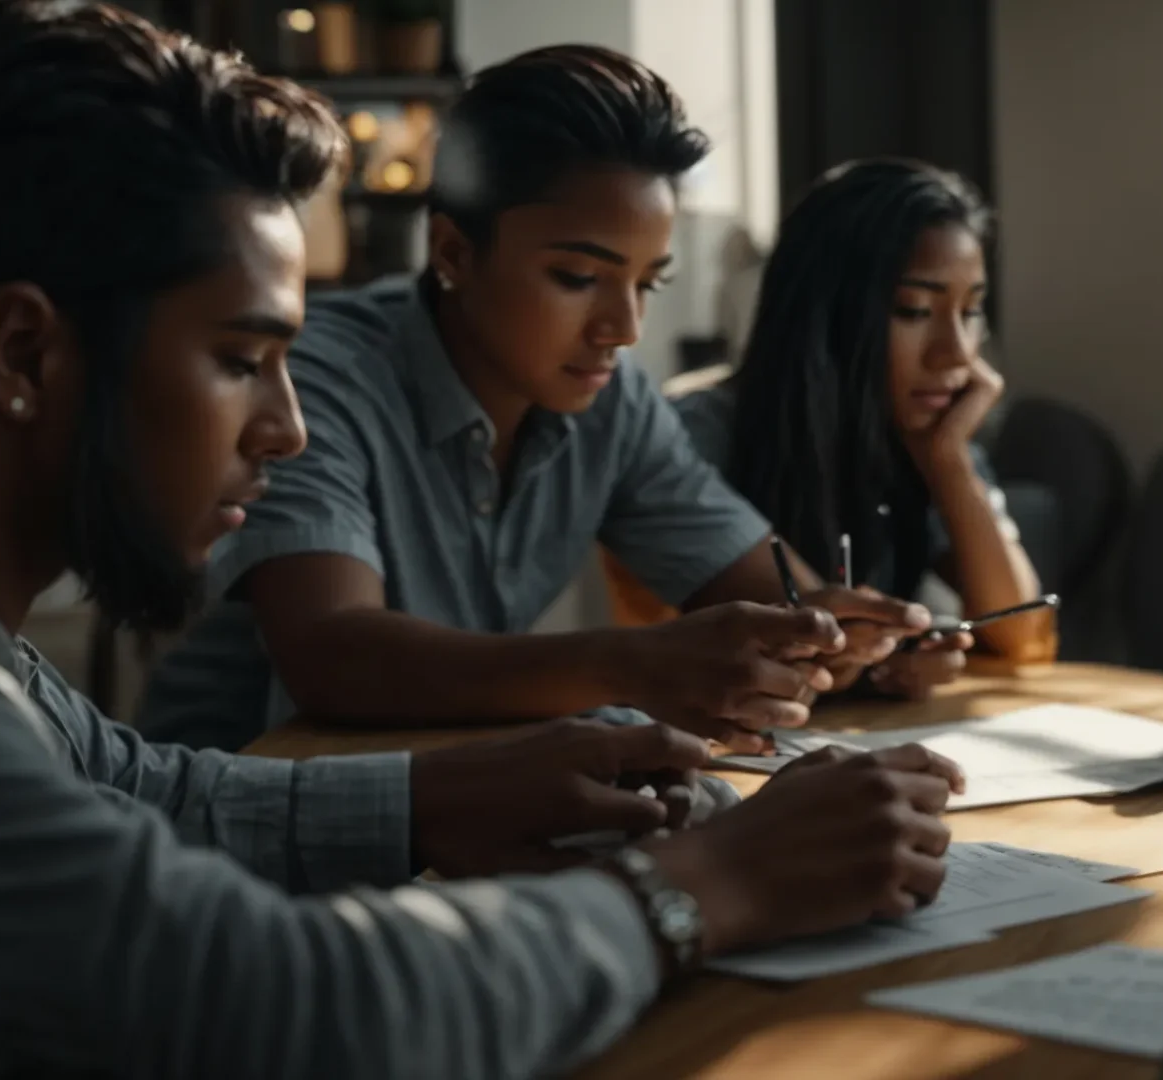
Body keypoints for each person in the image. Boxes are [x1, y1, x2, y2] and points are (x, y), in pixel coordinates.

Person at [0, 4, 963, 1075]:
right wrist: (715, 882)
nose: (283, 429)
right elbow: (303, 1009)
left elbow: (159, 792)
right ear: (25, 357)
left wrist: (446, 796)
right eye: (240, 359)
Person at [139, 44, 927, 753]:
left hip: (447, 799)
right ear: (453, 251)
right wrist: (634, 662)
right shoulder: (321, 376)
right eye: (578, 278)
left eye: (648, 283)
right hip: (230, 814)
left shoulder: (612, 404)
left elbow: (772, 597)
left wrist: (847, 636)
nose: (622, 327)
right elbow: (335, 656)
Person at [608, 160, 1053, 700]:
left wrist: (950, 462)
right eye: (913, 310)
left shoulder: (929, 433)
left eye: (972, 311)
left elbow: (1021, 636)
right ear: (825, 314)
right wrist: (863, 661)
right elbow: (727, 651)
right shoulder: (693, 436)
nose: (957, 351)